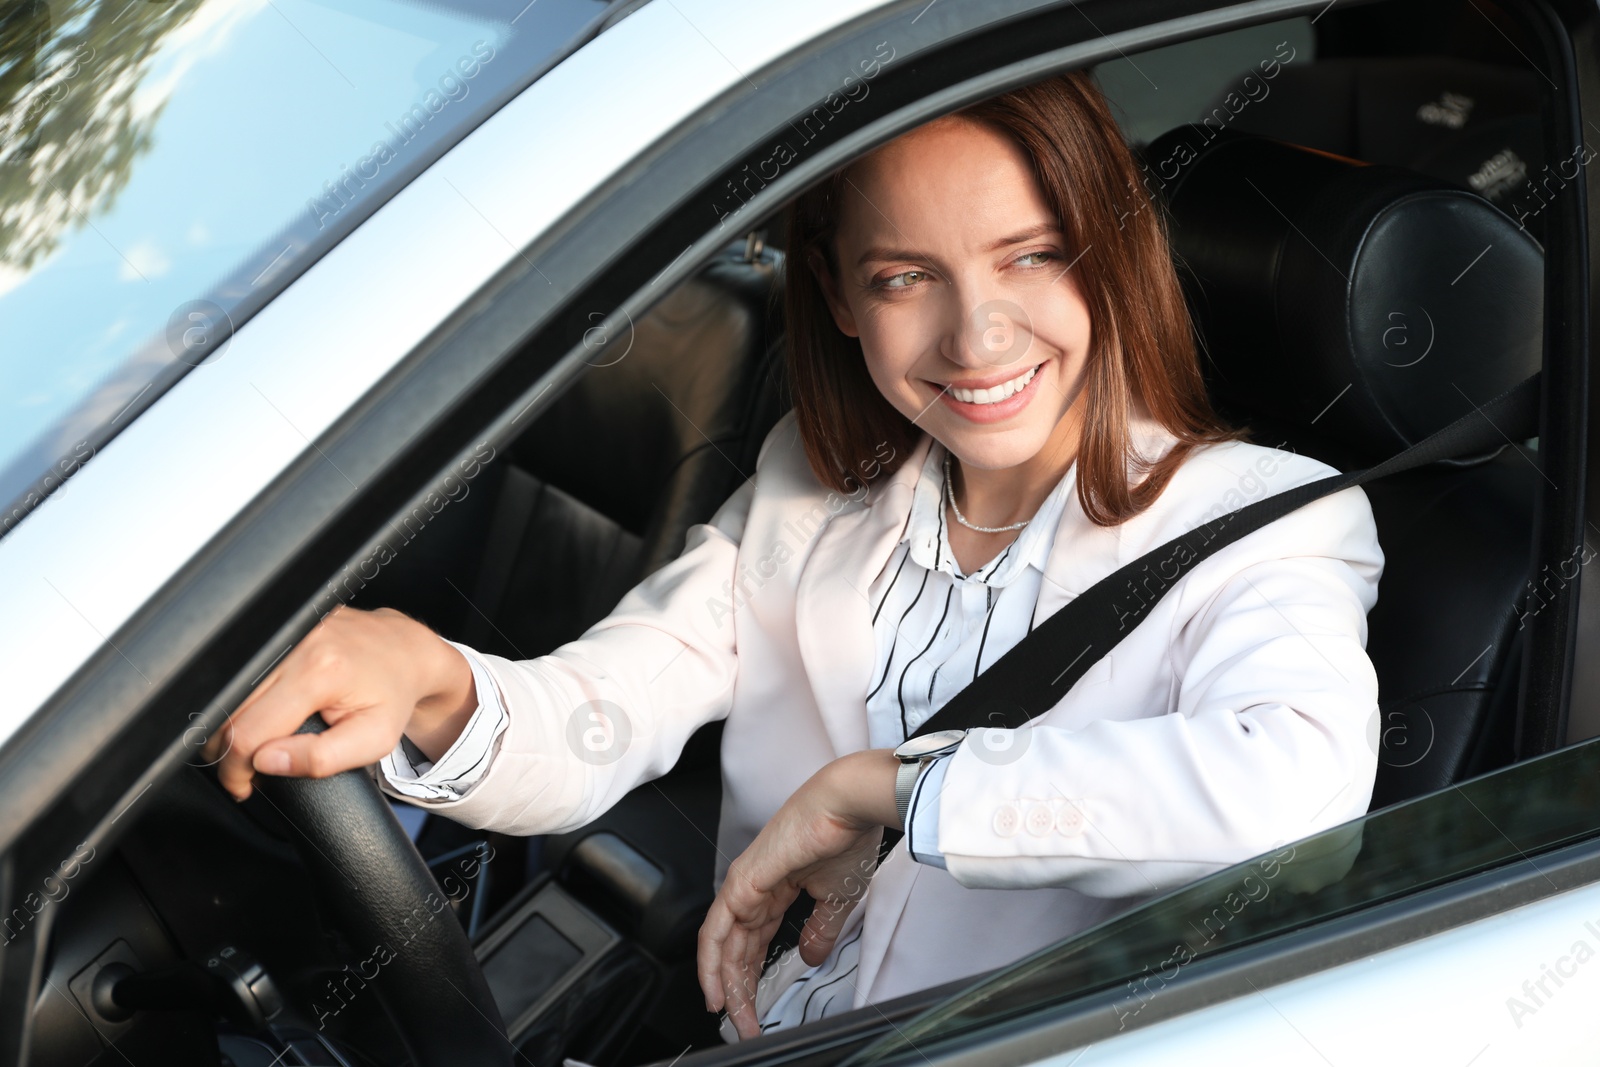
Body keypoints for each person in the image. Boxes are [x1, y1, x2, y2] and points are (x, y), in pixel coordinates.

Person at [204, 70, 1384, 1042]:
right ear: (833, 294)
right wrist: (435, 681)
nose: (976, 335)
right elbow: (601, 710)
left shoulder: (1265, 518)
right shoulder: (811, 492)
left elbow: (1291, 795)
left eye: (1031, 255)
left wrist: (882, 787)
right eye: (905, 277)